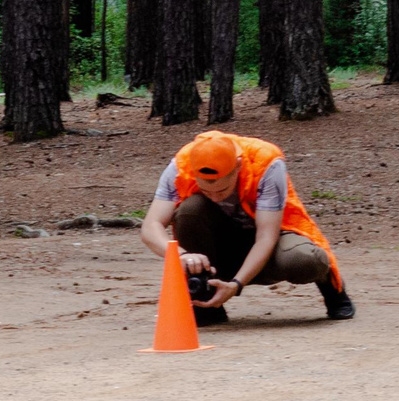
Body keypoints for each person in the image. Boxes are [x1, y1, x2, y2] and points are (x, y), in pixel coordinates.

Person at [139, 130, 354, 323]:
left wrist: (236, 284)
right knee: (189, 210)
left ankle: (329, 284)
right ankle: (206, 301)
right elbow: (150, 227)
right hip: (224, 239)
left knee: (303, 260)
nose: (215, 198)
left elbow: (266, 237)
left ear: (238, 166)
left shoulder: (267, 162)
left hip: (272, 237)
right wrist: (181, 255)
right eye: (206, 191)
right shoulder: (181, 165)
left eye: (222, 190)